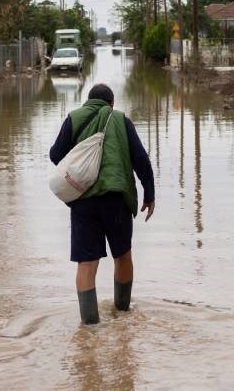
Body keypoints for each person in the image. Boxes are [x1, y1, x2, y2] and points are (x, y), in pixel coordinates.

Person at [49, 83, 155, 325]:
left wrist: (79, 163)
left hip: (83, 202)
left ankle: (89, 327)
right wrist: (149, 195)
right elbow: (141, 160)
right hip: (116, 199)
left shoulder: (73, 119)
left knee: (86, 263)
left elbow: (55, 155)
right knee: (123, 255)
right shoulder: (121, 120)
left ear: (88, 101)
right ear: (112, 103)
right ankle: (123, 314)